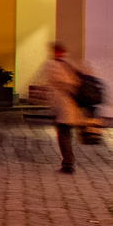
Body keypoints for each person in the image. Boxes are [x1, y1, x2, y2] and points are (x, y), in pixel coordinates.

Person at [38, 42, 94, 174]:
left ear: (55, 51)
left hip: (64, 107)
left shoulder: (54, 65)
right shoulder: (71, 64)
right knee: (67, 134)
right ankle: (68, 162)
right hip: (72, 106)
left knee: (63, 135)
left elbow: (60, 83)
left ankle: (68, 164)